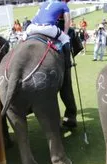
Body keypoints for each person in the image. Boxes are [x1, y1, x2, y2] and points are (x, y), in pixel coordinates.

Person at [27, 0, 78, 128]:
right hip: (48, 28)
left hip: (32, 28)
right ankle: (67, 64)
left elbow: (34, 17)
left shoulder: (44, 4)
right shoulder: (63, 5)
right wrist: (65, 34)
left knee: (23, 38)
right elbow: (67, 22)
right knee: (65, 38)